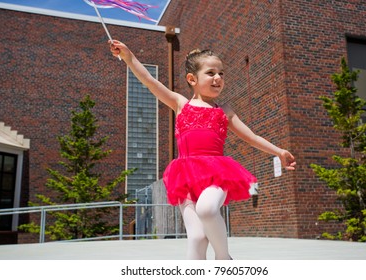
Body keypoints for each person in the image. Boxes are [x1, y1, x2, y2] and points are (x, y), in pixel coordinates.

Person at [109, 40, 296, 260]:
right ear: (192, 79)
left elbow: (251, 137)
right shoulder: (180, 104)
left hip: (217, 173)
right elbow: (150, 81)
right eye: (211, 73)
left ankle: (224, 259)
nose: (218, 78)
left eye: (221, 73)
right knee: (197, 239)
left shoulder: (224, 111)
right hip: (185, 177)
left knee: (207, 209)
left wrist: (278, 151)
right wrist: (129, 57)